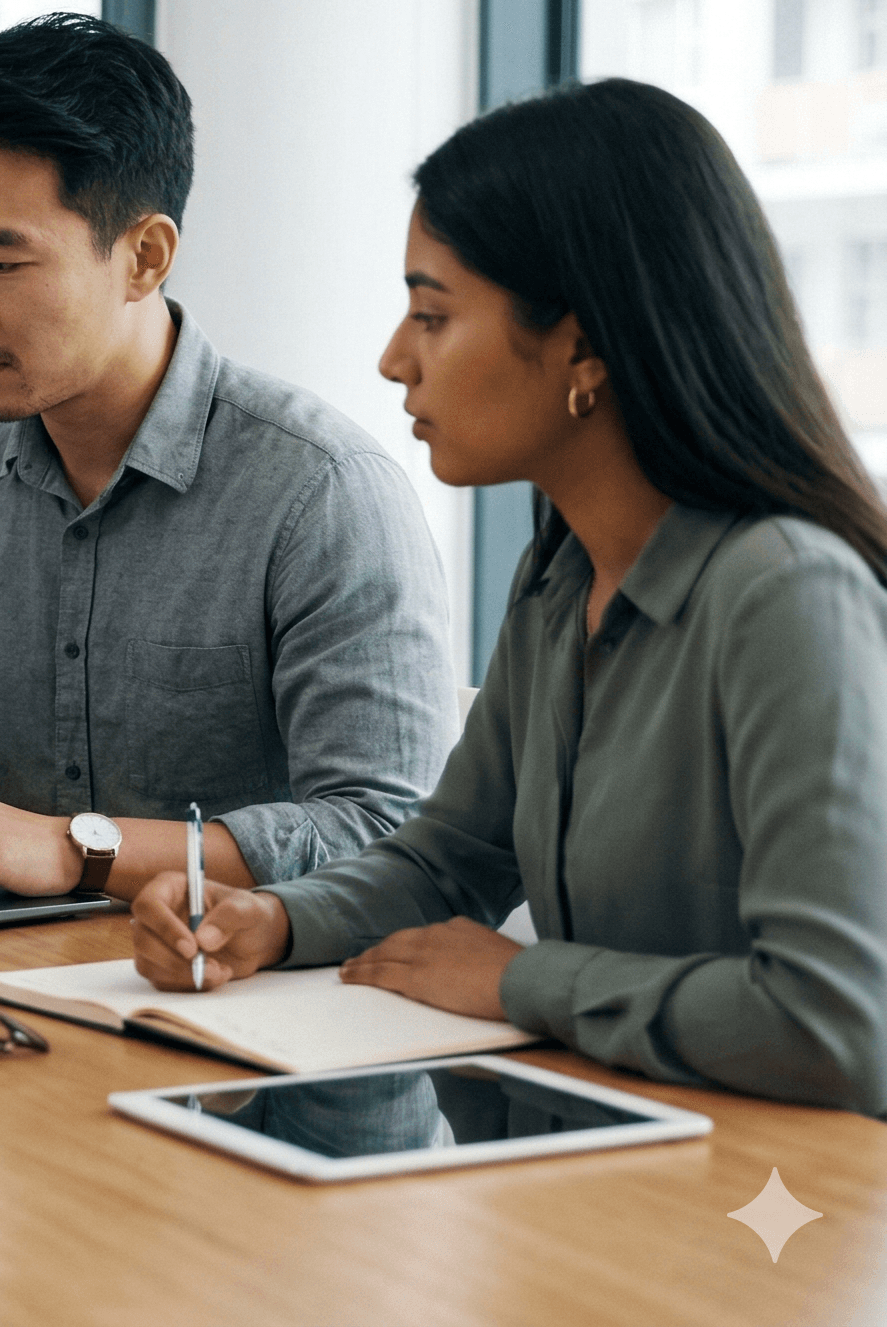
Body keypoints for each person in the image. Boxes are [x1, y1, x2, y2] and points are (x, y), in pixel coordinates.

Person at [136, 79, 887, 1117]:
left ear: (582, 347)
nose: (393, 360)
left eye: (431, 315)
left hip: (774, 1225)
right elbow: (450, 859)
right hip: (600, 1183)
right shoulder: (561, 574)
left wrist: (519, 981)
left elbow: (839, 1021)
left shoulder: (784, 596)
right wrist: (270, 918)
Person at [0, 13, 456, 908]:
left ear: (144, 257)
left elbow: (386, 834)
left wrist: (79, 851)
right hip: (21, 992)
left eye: (2, 263)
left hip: (266, 1019)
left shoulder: (320, 492)